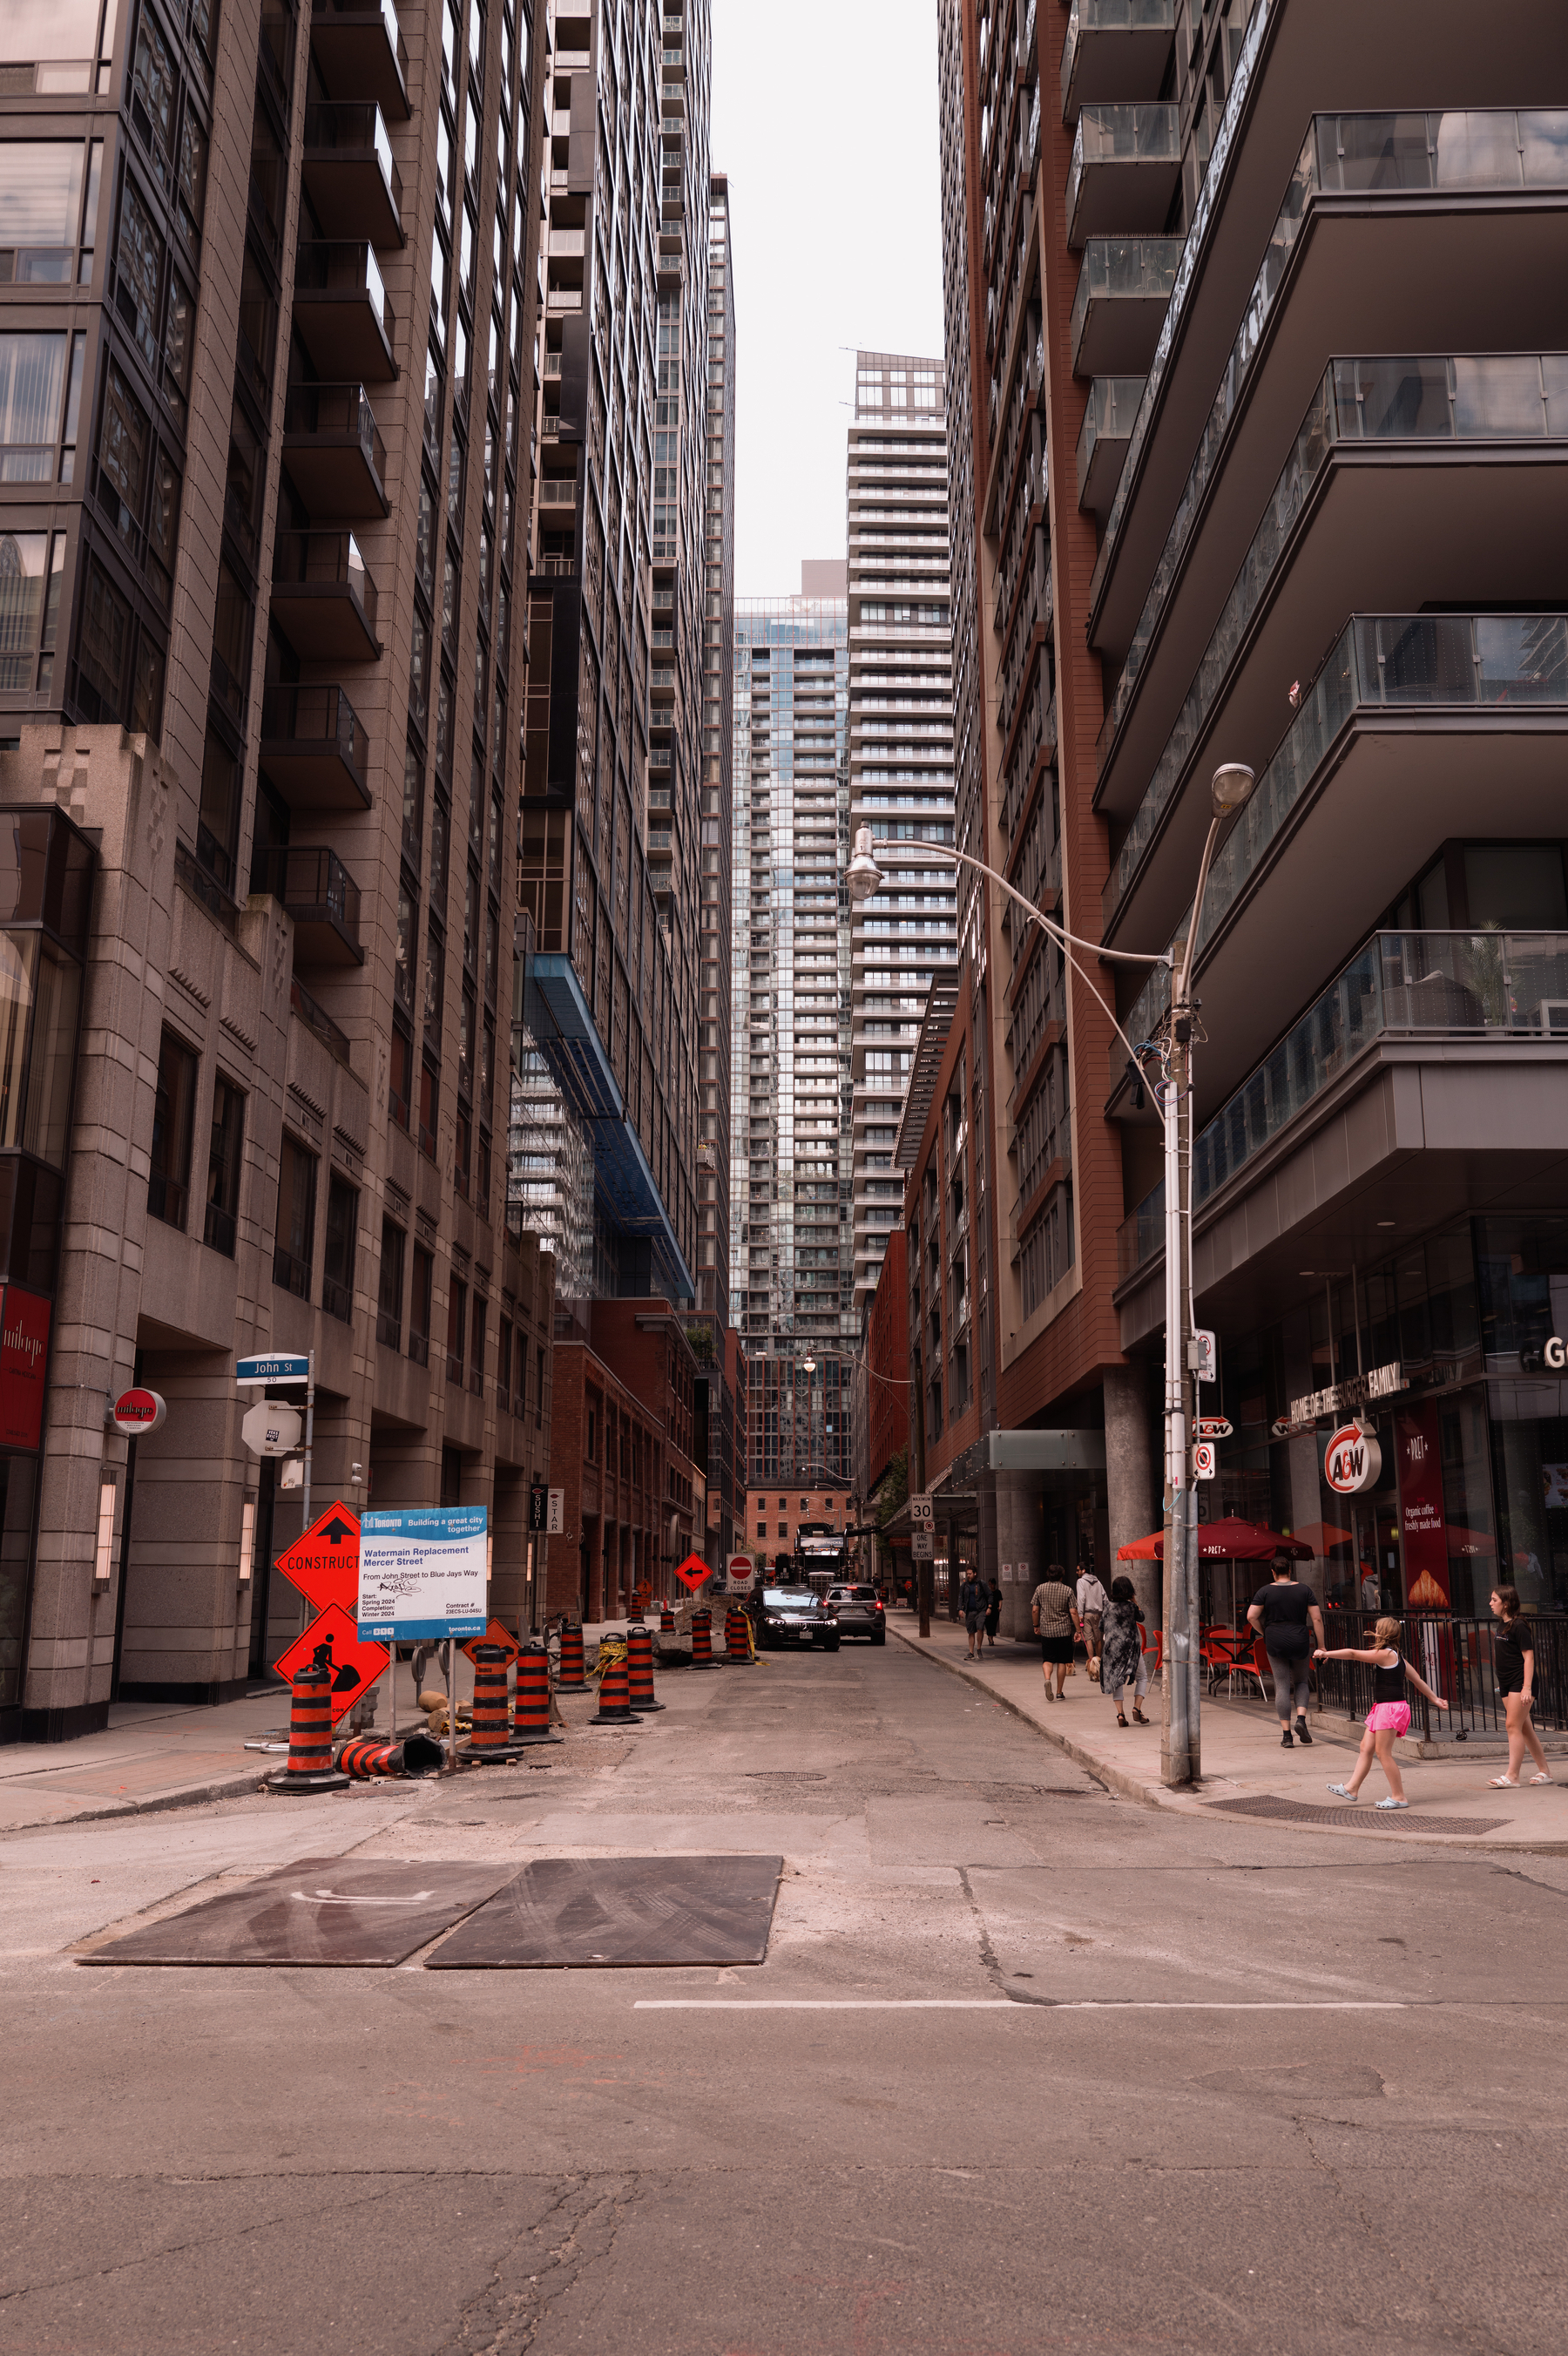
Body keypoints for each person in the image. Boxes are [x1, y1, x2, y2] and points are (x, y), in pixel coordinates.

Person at [1315, 1616, 1450, 1807]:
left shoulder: (1387, 1655)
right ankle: (1351, 1788)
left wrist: (1325, 1653)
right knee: (1366, 1748)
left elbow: (1353, 1654)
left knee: (1383, 1753)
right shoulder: (1397, 1656)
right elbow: (1417, 1679)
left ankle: (1399, 1797)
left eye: (1377, 1629)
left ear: (1383, 1633)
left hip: (1391, 1708)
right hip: (1383, 1708)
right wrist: (1434, 1699)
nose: (1375, 1631)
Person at [1247, 1553, 1326, 1747]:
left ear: (1273, 1572)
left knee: (1281, 1684)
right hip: (1299, 1637)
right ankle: (1301, 1719)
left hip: (1275, 1639)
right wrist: (1321, 1645)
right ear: (1290, 1570)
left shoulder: (1264, 1591)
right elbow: (1316, 1619)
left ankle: (1287, 1736)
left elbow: (1251, 1616)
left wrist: (1265, 1631)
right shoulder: (1304, 1590)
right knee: (1300, 1681)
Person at [1488, 1583, 1554, 1788]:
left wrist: (1526, 1687)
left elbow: (1529, 1657)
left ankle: (1512, 1776)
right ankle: (1545, 1772)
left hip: (1521, 1682)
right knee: (1525, 1728)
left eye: (1495, 1600)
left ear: (1506, 1604)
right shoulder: (1502, 1625)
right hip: (1507, 1682)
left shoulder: (1519, 1625)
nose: (1490, 1604)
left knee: (1512, 1725)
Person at [1100, 1576, 1150, 1728]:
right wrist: (1134, 1601)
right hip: (1130, 1648)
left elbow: (1101, 1626)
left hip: (1112, 1649)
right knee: (1142, 1677)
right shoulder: (1131, 1607)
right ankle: (1137, 1708)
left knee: (1116, 1681)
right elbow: (1141, 1617)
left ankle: (1121, 1714)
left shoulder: (1107, 1606)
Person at [1031, 1564, 1079, 1702]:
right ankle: (1059, 1692)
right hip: (1063, 1630)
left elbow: (1035, 1610)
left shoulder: (1040, 1588)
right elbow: (1073, 1612)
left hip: (1047, 1631)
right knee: (1062, 1661)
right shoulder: (1068, 1590)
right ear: (1061, 1576)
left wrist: (1036, 1626)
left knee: (1048, 1659)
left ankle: (1047, 1679)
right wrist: (1078, 1630)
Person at [1076, 1565, 1109, 1685]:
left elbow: (1081, 1598)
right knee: (1099, 1639)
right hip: (1099, 1614)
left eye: (1078, 1569)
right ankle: (1098, 1663)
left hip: (1087, 1614)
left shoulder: (1080, 1582)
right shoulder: (1098, 1582)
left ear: (1083, 1570)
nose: (1077, 1572)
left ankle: (1091, 1663)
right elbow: (1105, 1598)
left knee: (1088, 1638)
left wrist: (1080, 1613)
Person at [959, 1567, 988, 1660]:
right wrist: (960, 1609)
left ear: (975, 1573)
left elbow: (989, 1595)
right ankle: (971, 1652)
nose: (968, 1576)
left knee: (980, 1628)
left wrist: (990, 1607)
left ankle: (979, 1649)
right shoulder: (964, 1585)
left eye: (970, 1574)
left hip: (980, 1610)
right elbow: (961, 1597)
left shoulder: (981, 1584)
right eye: (967, 1574)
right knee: (971, 1631)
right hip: (969, 1611)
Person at [984, 1576, 1003, 1649]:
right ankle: (990, 1638)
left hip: (995, 1610)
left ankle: (991, 1637)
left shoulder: (998, 1592)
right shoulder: (987, 1592)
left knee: (993, 1624)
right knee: (988, 1624)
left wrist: (1000, 1607)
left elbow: (1000, 1600)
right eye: (989, 1584)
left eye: (991, 1584)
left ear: (994, 1584)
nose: (990, 1586)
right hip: (988, 1610)